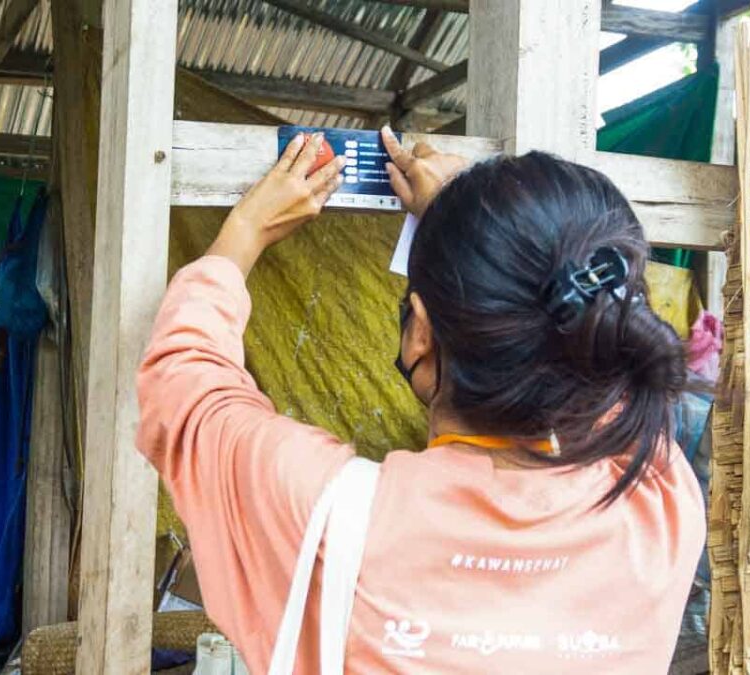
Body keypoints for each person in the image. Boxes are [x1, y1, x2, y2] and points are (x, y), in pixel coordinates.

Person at [135, 129, 705, 673]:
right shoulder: (658, 498)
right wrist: (475, 237)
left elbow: (184, 385)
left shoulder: (327, 520)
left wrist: (245, 230)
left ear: (422, 334)